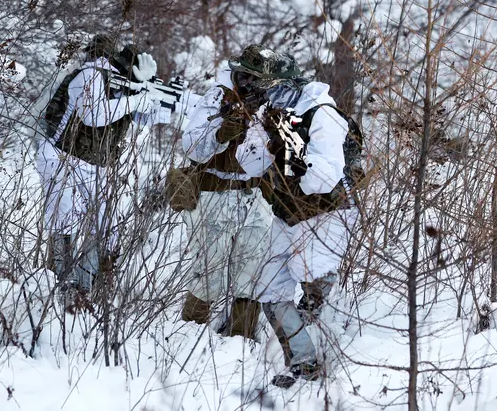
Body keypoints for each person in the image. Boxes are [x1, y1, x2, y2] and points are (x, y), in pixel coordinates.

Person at [253, 52, 359, 380]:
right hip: (288, 213)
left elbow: (322, 178)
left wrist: (292, 147)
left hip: (322, 216)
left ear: (291, 84)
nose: (270, 97)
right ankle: (306, 359)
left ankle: (322, 331)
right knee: (269, 291)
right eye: (266, 91)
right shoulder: (279, 113)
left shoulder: (323, 115)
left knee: (310, 276)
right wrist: (265, 137)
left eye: (274, 89)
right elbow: (250, 164)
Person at [37, 34, 162, 311]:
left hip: (97, 167)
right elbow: (95, 114)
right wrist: (134, 101)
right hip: (64, 159)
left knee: (106, 230)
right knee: (64, 224)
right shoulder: (89, 76)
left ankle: (83, 291)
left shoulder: (123, 87)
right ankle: (61, 288)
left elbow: (149, 118)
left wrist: (148, 96)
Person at [178, 45, 290, 339]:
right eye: (248, 78)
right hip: (214, 191)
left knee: (252, 274)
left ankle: (242, 339)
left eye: (260, 81)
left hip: (253, 196)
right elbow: (190, 145)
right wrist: (218, 133)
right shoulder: (219, 96)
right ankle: (188, 336)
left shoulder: (271, 104)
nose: (253, 85)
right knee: (209, 272)